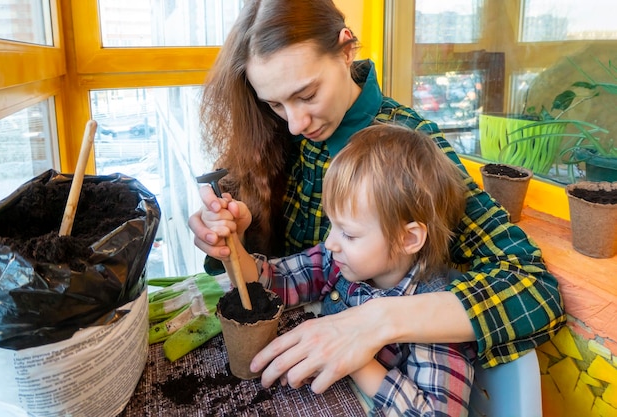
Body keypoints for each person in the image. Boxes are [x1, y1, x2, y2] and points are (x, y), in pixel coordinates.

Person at [189, 0, 565, 395]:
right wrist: (236, 236)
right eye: (275, 104)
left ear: (346, 49)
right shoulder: (272, 131)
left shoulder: (408, 151)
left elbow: (533, 287)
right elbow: (281, 278)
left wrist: (375, 320)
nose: (296, 124)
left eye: (308, 94)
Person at [213, 124, 476, 415]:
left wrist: (354, 356)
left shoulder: (436, 317)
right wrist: (233, 247)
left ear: (408, 239)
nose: (330, 242)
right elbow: (276, 286)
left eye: (349, 234)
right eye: (331, 224)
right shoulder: (339, 261)